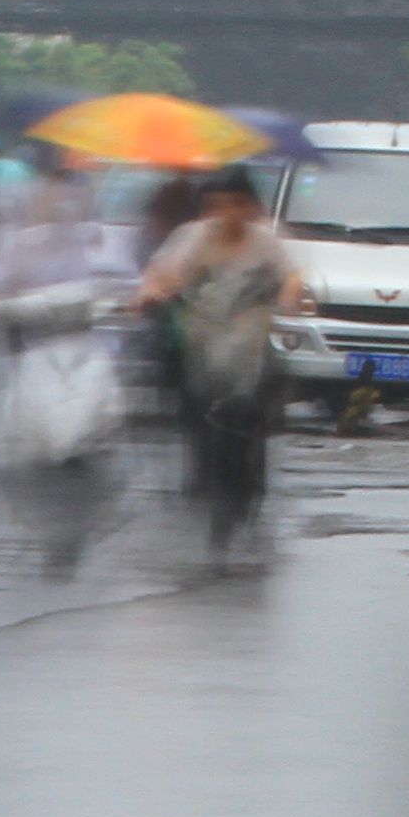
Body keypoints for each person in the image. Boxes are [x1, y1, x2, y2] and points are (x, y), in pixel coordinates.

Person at [138, 164, 305, 562]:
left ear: (250, 207)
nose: (225, 214)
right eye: (216, 205)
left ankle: (248, 492)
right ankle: (207, 490)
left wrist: (289, 297)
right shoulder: (192, 238)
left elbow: (292, 278)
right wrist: (152, 293)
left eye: (235, 204)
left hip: (248, 349)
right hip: (202, 346)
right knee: (198, 422)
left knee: (250, 422)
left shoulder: (266, 242)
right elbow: (161, 274)